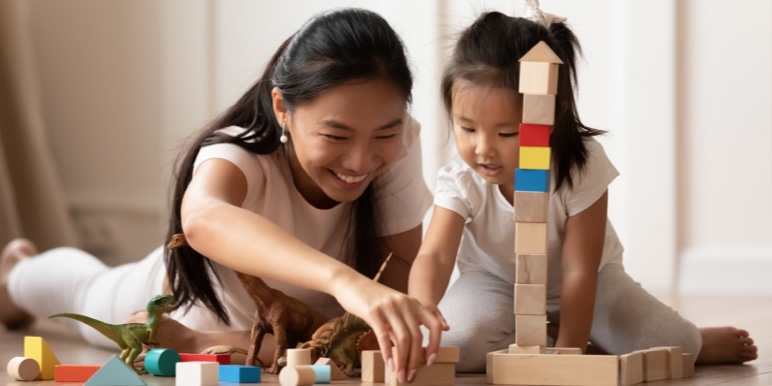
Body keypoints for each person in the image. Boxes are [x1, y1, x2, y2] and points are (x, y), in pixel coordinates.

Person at [0, 8, 446, 383]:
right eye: (335, 135)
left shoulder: (399, 144)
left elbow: (401, 264)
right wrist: (346, 283)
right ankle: (16, 273)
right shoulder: (236, 153)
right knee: (84, 290)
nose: (360, 161)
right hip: (182, 307)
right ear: (281, 110)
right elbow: (203, 219)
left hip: (289, 332)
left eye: (384, 133)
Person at [407, 6, 758, 372]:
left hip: (589, 281)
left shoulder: (581, 165)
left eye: (507, 133)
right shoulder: (462, 177)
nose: (483, 149)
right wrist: (421, 315)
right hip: (494, 282)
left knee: (676, 343)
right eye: (466, 128)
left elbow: (579, 269)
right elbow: (435, 256)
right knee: (453, 346)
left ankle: (690, 338)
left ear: (551, 117)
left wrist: (568, 354)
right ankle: (543, 336)